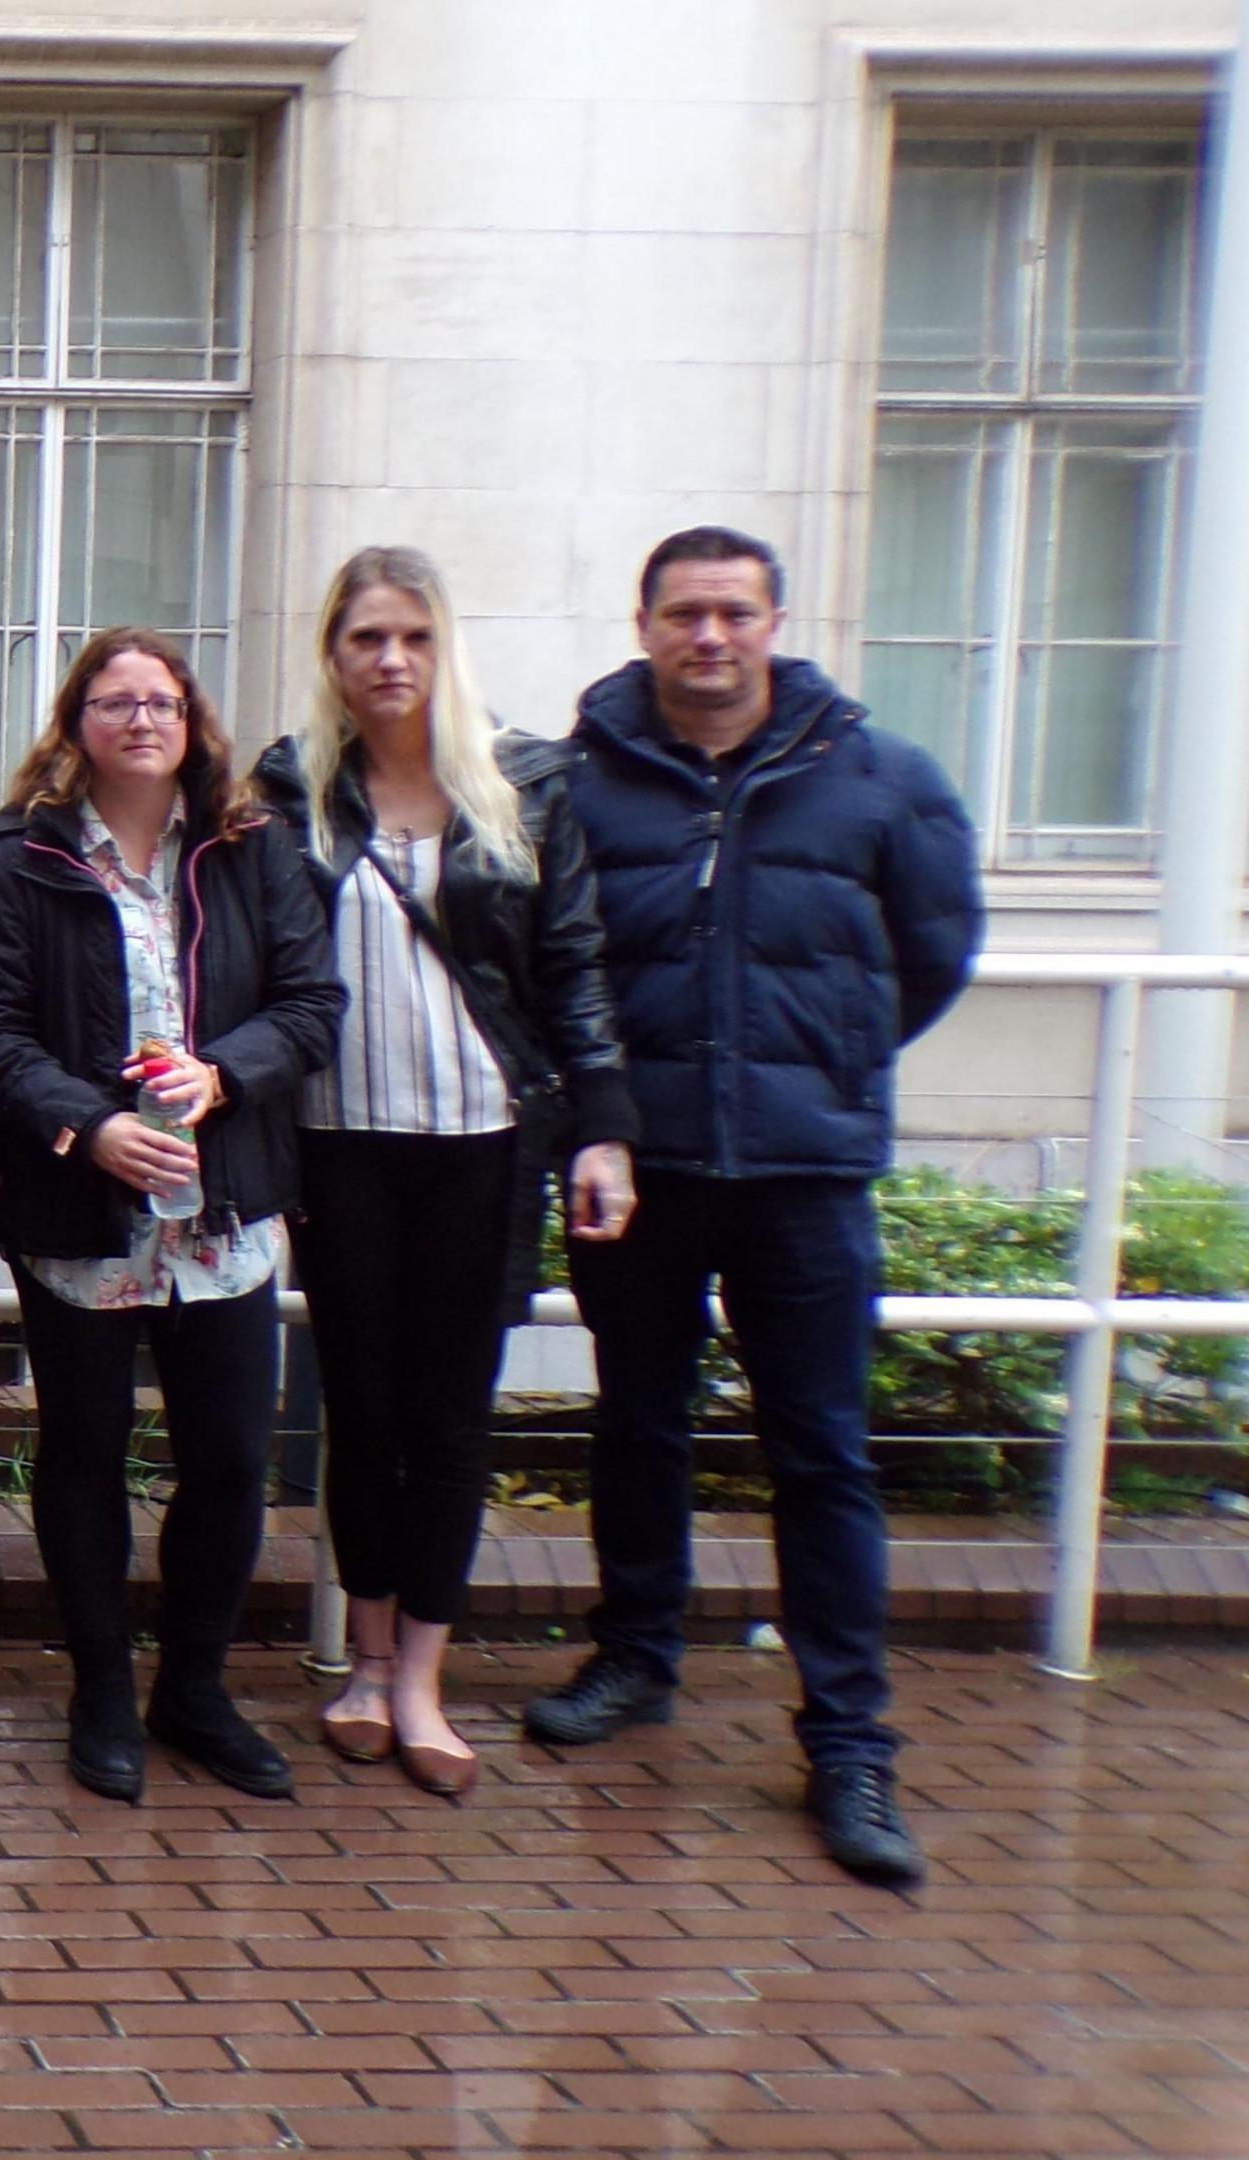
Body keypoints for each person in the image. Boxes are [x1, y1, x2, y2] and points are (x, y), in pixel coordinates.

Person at [526, 528, 980, 1887]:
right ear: (646, 623)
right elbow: (557, 963)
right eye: (684, 614)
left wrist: (827, 1058)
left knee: (823, 1455)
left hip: (806, 1172)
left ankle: (848, 1742)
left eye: (733, 613)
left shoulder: (881, 779)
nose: (709, 637)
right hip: (638, 1165)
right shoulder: (581, 786)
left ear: (776, 620)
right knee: (639, 1426)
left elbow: (938, 947)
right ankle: (635, 1656)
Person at [250, 548, 638, 1799]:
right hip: (340, 1140)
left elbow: (572, 966)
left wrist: (603, 1127)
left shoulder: (524, 783)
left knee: (451, 1415)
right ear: (334, 654)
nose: (390, 660)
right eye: (366, 637)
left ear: (443, 643)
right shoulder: (290, 788)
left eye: (412, 635)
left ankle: (424, 1676)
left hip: (483, 1142)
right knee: (359, 1407)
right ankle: (363, 1663)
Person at [0, 627, 341, 1806]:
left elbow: (313, 1004)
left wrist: (222, 1074)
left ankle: (198, 1690)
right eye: (113, 703)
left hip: (222, 1214)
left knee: (228, 1461)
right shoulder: (19, 860)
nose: (139, 721)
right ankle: (104, 1692)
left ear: (192, 721)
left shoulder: (250, 847)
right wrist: (85, 1122)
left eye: (160, 702)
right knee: (82, 1455)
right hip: (82, 1208)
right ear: (76, 725)